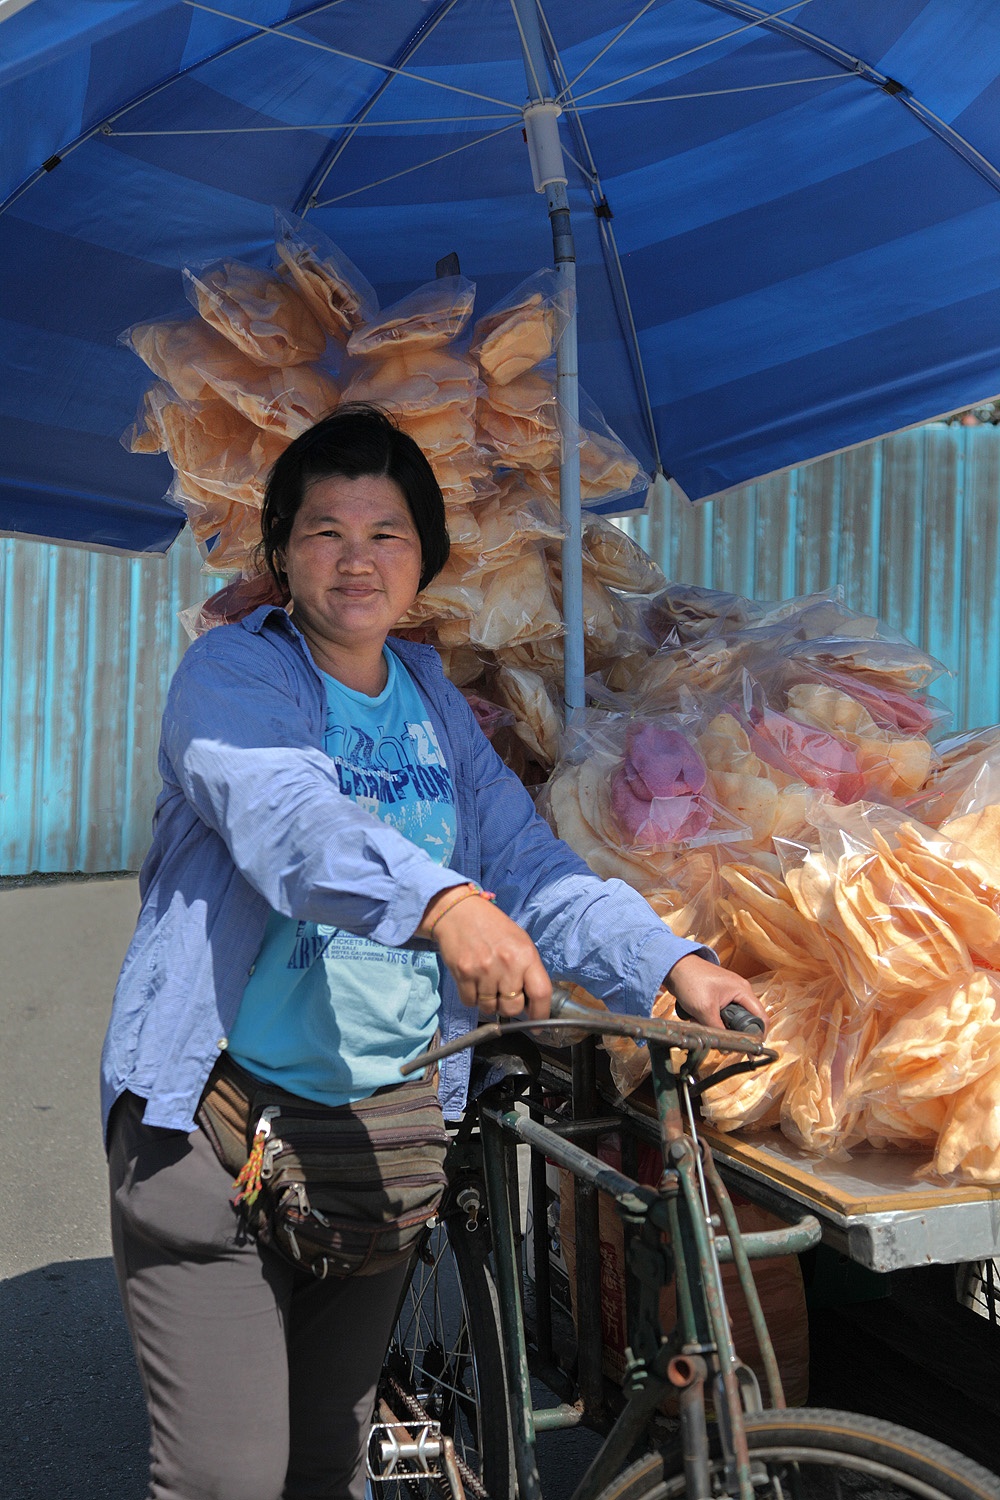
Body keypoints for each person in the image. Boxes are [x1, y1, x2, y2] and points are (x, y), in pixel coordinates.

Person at [102, 404, 765, 1500]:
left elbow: (529, 863)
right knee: (228, 1478)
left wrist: (664, 960)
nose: (355, 560)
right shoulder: (233, 679)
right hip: (213, 1135)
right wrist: (446, 904)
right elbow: (286, 820)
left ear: (425, 562)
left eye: (386, 533)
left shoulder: (435, 711)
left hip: (374, 1147)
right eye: (324, 531)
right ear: (280, 551)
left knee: (325, 1459)